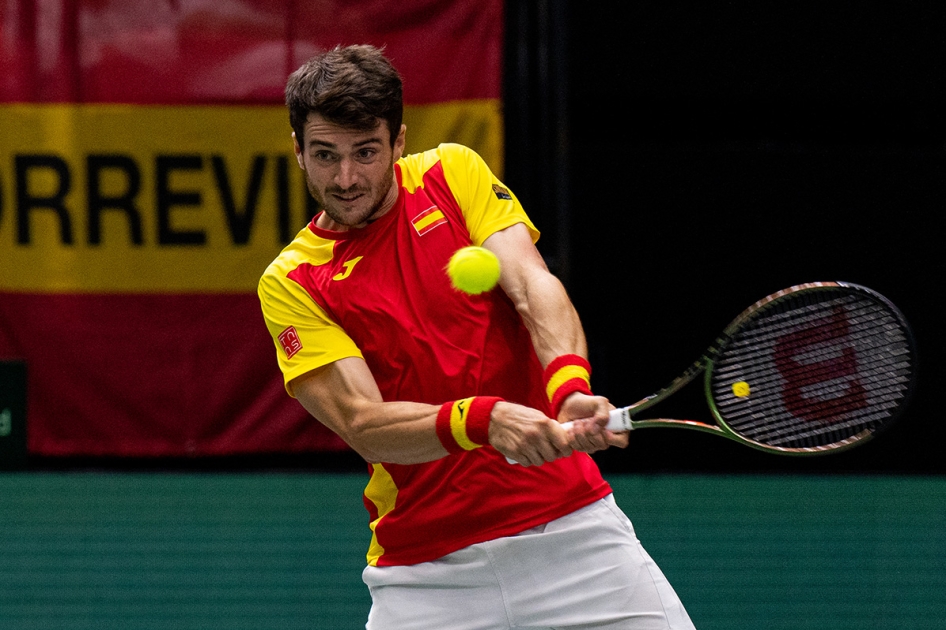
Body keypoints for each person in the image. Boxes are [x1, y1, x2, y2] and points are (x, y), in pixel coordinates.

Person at [258, 44, 696, 630]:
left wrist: (567, 383)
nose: (345, 177)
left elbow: (531, 283)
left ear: (398, 141)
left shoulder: (451, 174)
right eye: (324, 155)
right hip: (427, 577)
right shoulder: (293, 281)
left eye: (365, 153)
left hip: (573, 537)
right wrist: (481, 420)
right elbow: (362, 423)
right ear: (297, 151)